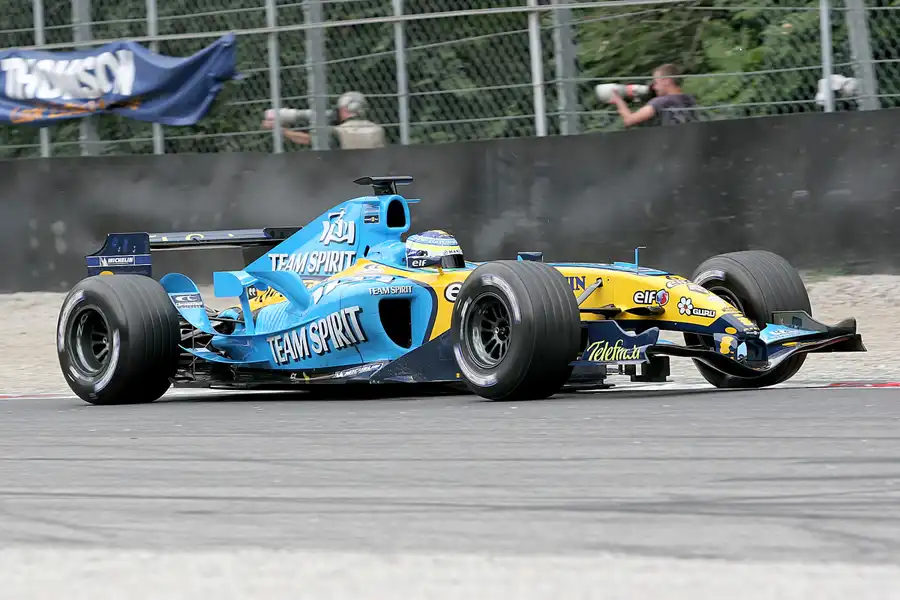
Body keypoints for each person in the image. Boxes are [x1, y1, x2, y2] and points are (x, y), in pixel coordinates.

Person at [262, 91, 386, 149]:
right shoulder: (377, 129)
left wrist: (282, 131)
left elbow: (307, 139)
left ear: (344, 109)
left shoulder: (338, 131)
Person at [608, 63, 697, 127]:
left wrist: (619, 101)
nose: (654, 87)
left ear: (667, 81)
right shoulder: (690, 100)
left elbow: (629, 120)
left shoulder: (661, 102)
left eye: (655, 82)